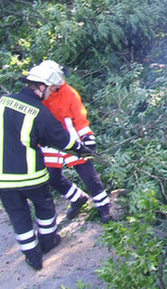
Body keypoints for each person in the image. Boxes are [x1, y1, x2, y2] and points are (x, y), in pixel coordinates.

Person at [0, 63, 92, 271]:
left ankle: (32, 257)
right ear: (42, 86)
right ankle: (48, 241)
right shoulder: (39, 112)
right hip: (32, 176)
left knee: (18, 216)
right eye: (52, 89)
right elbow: (60, 139)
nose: (52, 93)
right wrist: (81, 149)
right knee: (45, 208)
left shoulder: (0, 103)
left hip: (1, 178)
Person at [35, 60, 114, 224]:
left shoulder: (69, 93)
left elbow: (79, 116)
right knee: (51, 177)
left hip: (70, 136)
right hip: (49, 138)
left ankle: (104, 208)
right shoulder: (38, 93)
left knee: (88, 175)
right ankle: (77, 198)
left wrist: (87, 138)